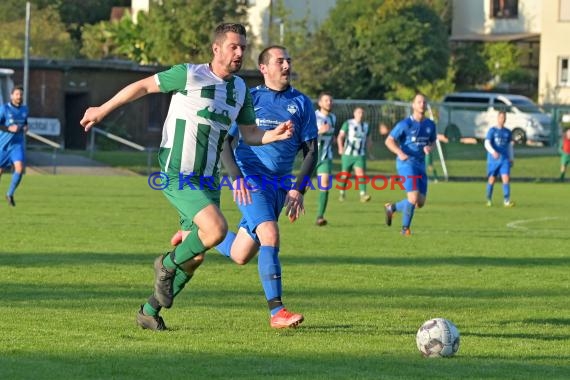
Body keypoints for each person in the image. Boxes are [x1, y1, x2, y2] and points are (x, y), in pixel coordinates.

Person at [79, 23, 293, 331]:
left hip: (208, 179)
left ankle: (149, 311)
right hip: (177, 172)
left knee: (195, 258)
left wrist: (271, 136)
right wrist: (103, 108)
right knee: (217, 229)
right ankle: (165, 264)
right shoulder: (189, 74)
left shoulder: (240, 90)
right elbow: (142, 86)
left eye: (243, 47)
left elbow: (249, 133)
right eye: (233, 46)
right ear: (216, 48)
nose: (239, 53)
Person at [214, 45, 317, 329]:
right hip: (251, 180)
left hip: (280, 186)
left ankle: (197, 232)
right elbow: (225, 141)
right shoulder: (251, 99)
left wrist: (298, 189)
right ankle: (277, 312)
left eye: (289, 60)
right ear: (264, 68)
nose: (286, 65)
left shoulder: (302, 103)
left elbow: (311, 151)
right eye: (280, 61)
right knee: (270, 233)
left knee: (240, 254)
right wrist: (236, 177)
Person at [384, 93, 437, 235]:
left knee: (420, 202)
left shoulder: (430, 125)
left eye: (424, 102)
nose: (422, 104)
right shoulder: (405, 124)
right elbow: (389, 140)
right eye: (419, 102)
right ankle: (405, 229)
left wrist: (429, 148)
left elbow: (432, 141)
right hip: (406, 164)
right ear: (413, 105)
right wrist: (400, 153)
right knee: (412, 198)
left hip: (420, 164)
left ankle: (392, 208)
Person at [0, 85, 29, 207]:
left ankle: (9, 194)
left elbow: (25, 122)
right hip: (4, 145)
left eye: (21, 94)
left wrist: (26, 127)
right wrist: (8, 128)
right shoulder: (4, 109)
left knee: (20, 167)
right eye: (17, 94)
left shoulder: (25, 109)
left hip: (17, 144)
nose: (19, 96)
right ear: (12, 95)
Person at [337, 106, 372, 202]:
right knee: (345, 176)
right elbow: (340, 136)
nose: (361, 115)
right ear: (354, 114)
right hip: (347, 154)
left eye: (362, 113)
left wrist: (369, 151)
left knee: (360, 174)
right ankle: (342, 192)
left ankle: (363, 195)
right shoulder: (348, 123)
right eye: (359, 112)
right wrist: (340, 148)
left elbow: (368, 139)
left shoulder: (366, 126)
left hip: (360, 155)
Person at [484, 110, 515, 207]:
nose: (503, 119)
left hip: (504, 159)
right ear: (498, 118)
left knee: (506, 178)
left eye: (504, 117)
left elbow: (510, 146)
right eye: (501, 117)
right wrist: (493, 152)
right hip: (493, 160)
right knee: (492, 179)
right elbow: (486, 143)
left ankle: (506, 200)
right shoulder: (492, 131)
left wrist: (511, 157)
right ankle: (488, 199)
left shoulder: (508, 132)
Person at [314, 91, 336, 226]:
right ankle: (290, 207)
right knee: (301, 187)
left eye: (331, 100)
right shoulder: (313, 116)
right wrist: (318, 131)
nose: (329, 103)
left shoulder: (333, 118)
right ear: (320, 103)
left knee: (325, 184)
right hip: (311, 156)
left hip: (326, 157)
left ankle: (320, 217)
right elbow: (304, 135)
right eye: (326, 100)